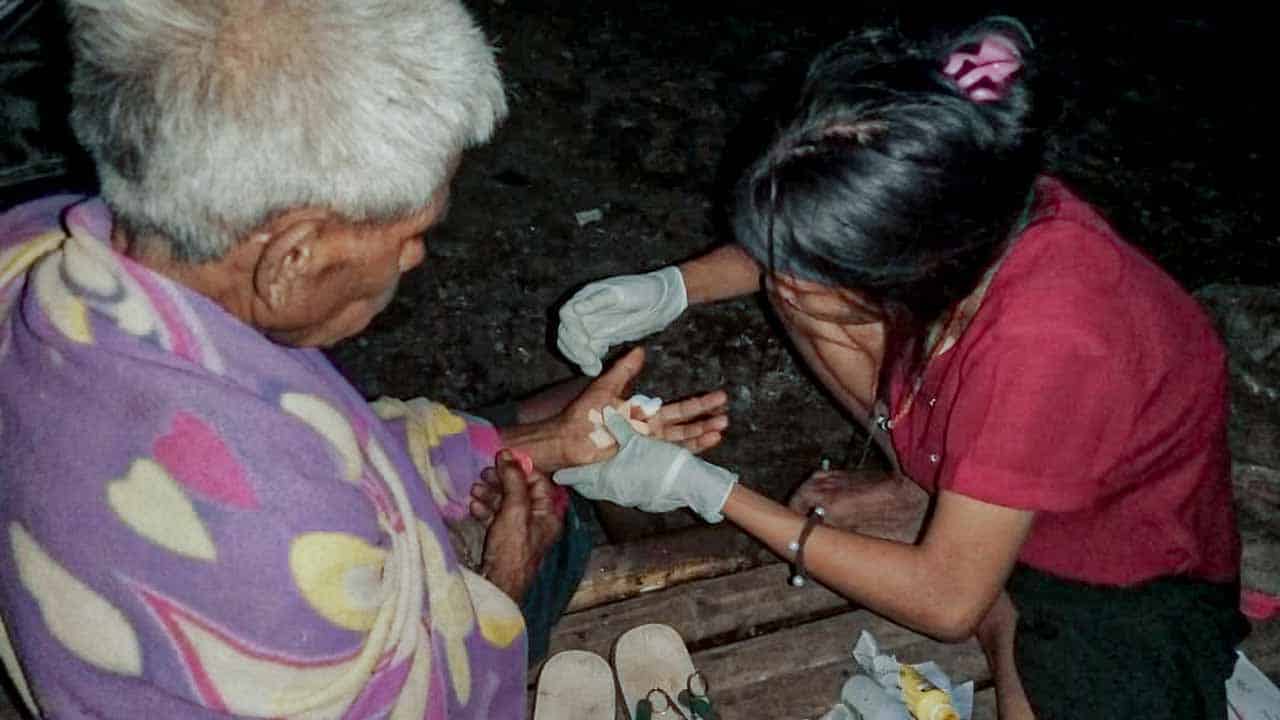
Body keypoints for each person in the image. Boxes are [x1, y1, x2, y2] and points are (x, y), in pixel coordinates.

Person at [0, 1, 728, 718]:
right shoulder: (275, 542)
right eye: (411, 233)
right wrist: (508, 573)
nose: (415, 257)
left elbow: (323, 438)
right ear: (292, 257)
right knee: (557, 522)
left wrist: (542, 443)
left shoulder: (36, 250)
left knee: (544, 430)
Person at [554, 17, 1247, 719]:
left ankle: (990, 580)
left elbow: (946, 604)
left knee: (1030, 651)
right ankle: (937, 501)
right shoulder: (967, 203)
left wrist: (703, 487)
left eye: (820, 271)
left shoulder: (1050, 346)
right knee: (803, 298)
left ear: (916, 268)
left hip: (1114, 565)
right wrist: (672, 288)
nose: (778, 275)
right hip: (1016, 448)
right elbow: (793, 249)